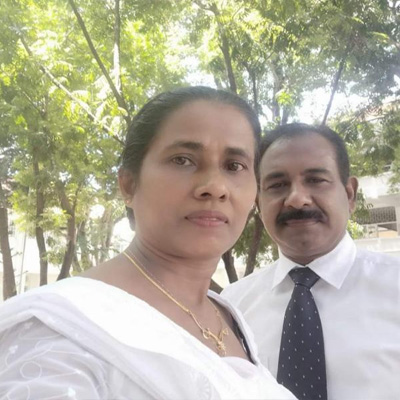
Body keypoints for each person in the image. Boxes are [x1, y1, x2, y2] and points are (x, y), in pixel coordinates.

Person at [0, 87, 296, 400]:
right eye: (183, 160)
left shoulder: (227, 315)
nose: (215, 187)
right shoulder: (61, 330)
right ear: (129, 184)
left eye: (234, 165)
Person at [223, 122, 400, 400]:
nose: (297, 199)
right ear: (258, 203)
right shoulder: (232, 308)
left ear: (350, 194)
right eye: (277, 185)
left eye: (316, 180)